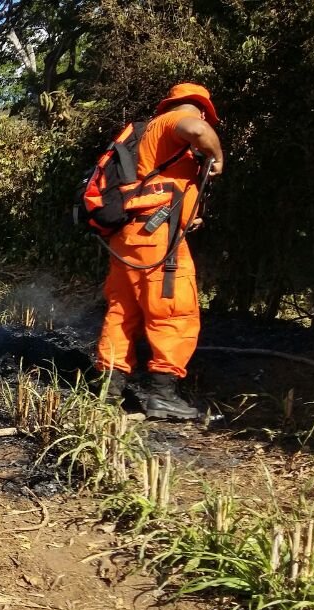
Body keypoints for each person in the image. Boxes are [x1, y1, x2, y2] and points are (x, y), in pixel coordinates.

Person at [95, 83, 224, 419]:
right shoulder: (180, 119)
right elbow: (197, 130)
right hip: (156, 238)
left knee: (123, 310)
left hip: (129, 235)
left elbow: (159, 186)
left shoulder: (147, 131)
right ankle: (164, 396)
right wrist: (217, 157)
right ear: (200, 108)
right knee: (173, 310)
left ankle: (109, 391)